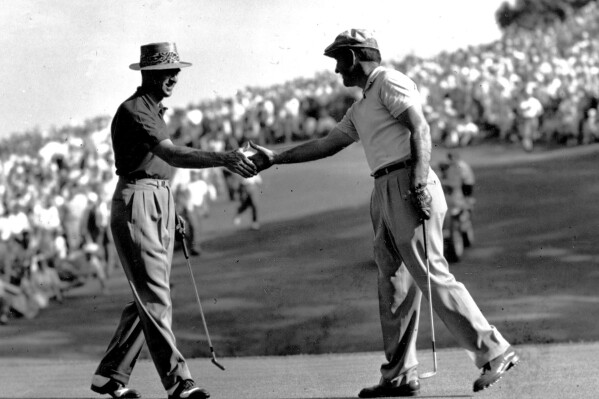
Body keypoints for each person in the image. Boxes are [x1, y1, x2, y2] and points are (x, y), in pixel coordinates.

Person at [249, 29, 518, 397]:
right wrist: (276, 158)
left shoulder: (389, 81)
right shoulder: (361, 106)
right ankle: (399, 375)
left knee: (430, 272)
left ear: (356, 57)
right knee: (393, 284)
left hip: (409, 179)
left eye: (339, 59)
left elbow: (420, 128)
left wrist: (419, 183)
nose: (336, 70)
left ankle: (494, 351)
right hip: (383, 187)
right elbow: (327, 144)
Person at [90, 42, 257, 399]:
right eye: (168, 71)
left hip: (155, 199)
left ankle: (110, 374)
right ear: (148, 74)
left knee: (149, 295)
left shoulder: (152, 109)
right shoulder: (136, 110)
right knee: (154, 295)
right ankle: (178, 381)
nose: (175, 77)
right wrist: (224, 158)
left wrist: (169, 209)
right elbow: (171, 154)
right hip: (138, 200)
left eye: (176, 70)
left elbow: (159, 166)